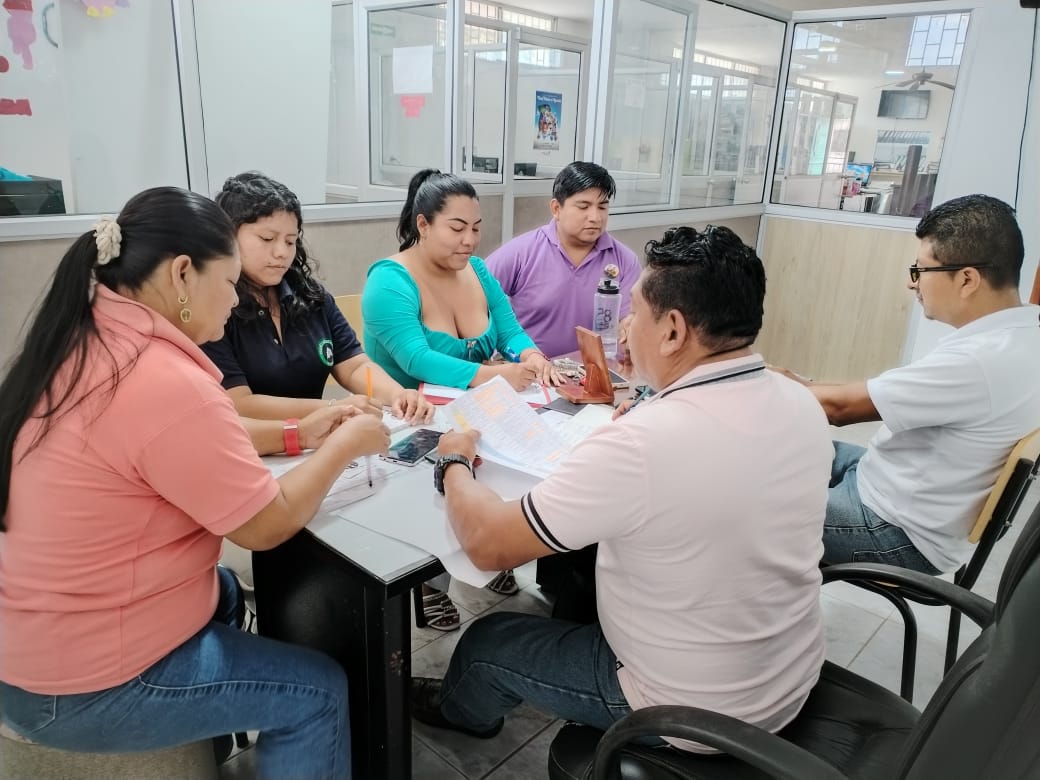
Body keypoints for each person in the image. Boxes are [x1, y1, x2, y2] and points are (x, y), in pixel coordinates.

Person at [0, 187, 393, 779]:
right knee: (316, 692)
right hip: (78, 679)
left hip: (36, 634)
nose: (235, 299)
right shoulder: (162, 378)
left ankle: (215, 737)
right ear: (183, 274)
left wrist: (300, 432)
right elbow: (264, 525)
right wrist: (344, 444)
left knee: (226, 591)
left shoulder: (89, 334)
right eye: (229, 282)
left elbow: (190, 446)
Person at [410, 225, 833, 747]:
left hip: (689, 712)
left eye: (634, 312)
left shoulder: (643, 443)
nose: (626, 326)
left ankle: (464, 716)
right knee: (585, 561)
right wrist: (655, 387)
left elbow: (488, 543)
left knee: (488, 642)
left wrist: (454, 459)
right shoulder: (801, 402)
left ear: (673, 331)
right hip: (788, 676)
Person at [779, 194, 1040, 575]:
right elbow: (862, 393)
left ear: (967, 279)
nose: (910, 282)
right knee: (780, 447)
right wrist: (799, 383)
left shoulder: (977, 362)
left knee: (741, 492)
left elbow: (837, 409)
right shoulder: (1025, 331)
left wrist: (756, 381)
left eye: (920, 270)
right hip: (891, 488)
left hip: (893, 532)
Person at [363, 169, 560, 626]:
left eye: (475, 228)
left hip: (475, 411)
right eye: (456, 228)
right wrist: (493, 375)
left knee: (522, 460)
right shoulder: (389, 282)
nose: (469, 240)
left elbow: (509, 330)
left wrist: (531, 357)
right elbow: (416, 358)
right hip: (411, 421)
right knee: (441, 480)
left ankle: (488, 547)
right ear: (423, 224)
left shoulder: (478, 270)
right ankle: (431, 583)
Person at [201, 171, 434, 425]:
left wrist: (398, 394)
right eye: (267, 239)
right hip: (255, 443)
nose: (281, 253)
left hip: (318, 437)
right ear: (229, 237)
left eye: (290, 242)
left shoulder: (310, 297)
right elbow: (239, 403)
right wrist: (333, 407)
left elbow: (354, 365)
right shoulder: (215, 310)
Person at [485, 161, 641, 359]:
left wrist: (630, 327)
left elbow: (629, 321)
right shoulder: (520, 253)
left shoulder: (625, 261)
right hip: (529, 371)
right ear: (556, 208)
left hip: (592, 372)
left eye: (602, 207)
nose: (595, 217)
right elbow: (473, 297)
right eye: (583, 207)